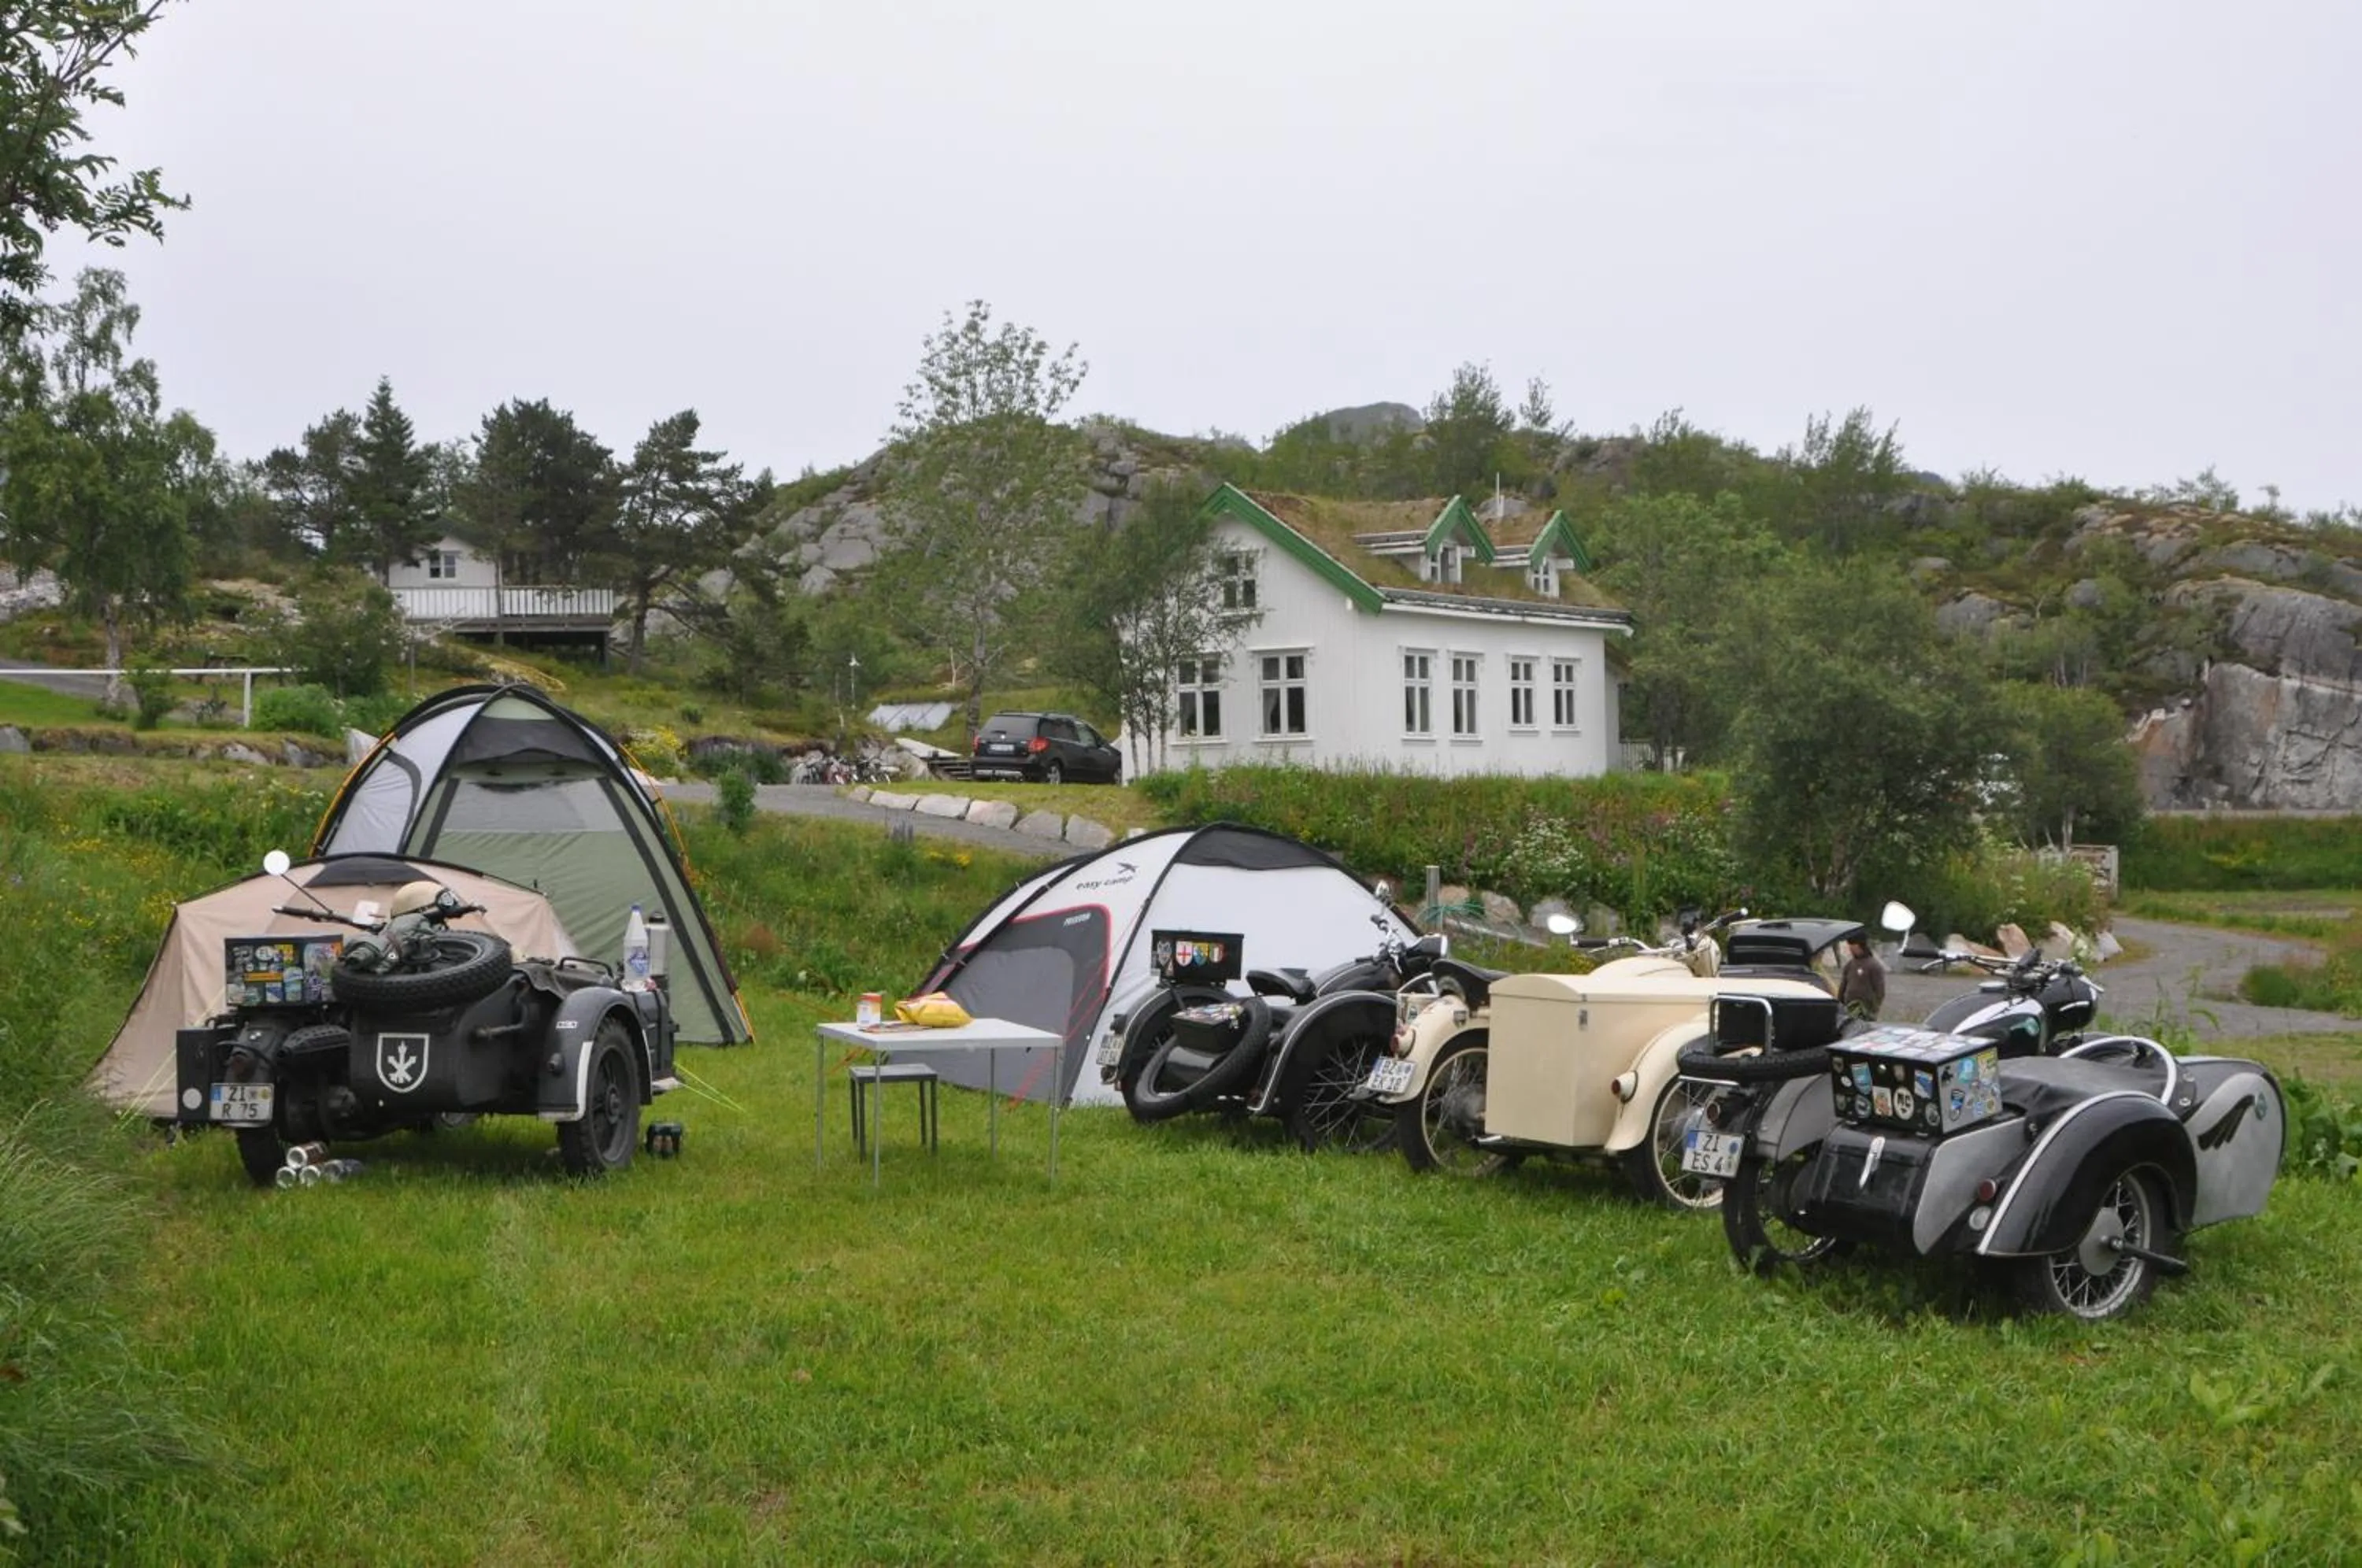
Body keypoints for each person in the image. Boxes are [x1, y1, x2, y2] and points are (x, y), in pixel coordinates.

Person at [1838, 933, 1886, 1020]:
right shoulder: (1850, 965)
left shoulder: (1874, 965)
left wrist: (1874, 1009)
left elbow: (1880, 991)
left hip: (1866, 1011)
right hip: (1849, 1009)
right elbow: (1843, 986)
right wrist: (1839, 1003)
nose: (1850, 950)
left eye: (1853, 947)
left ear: (1860, 946)